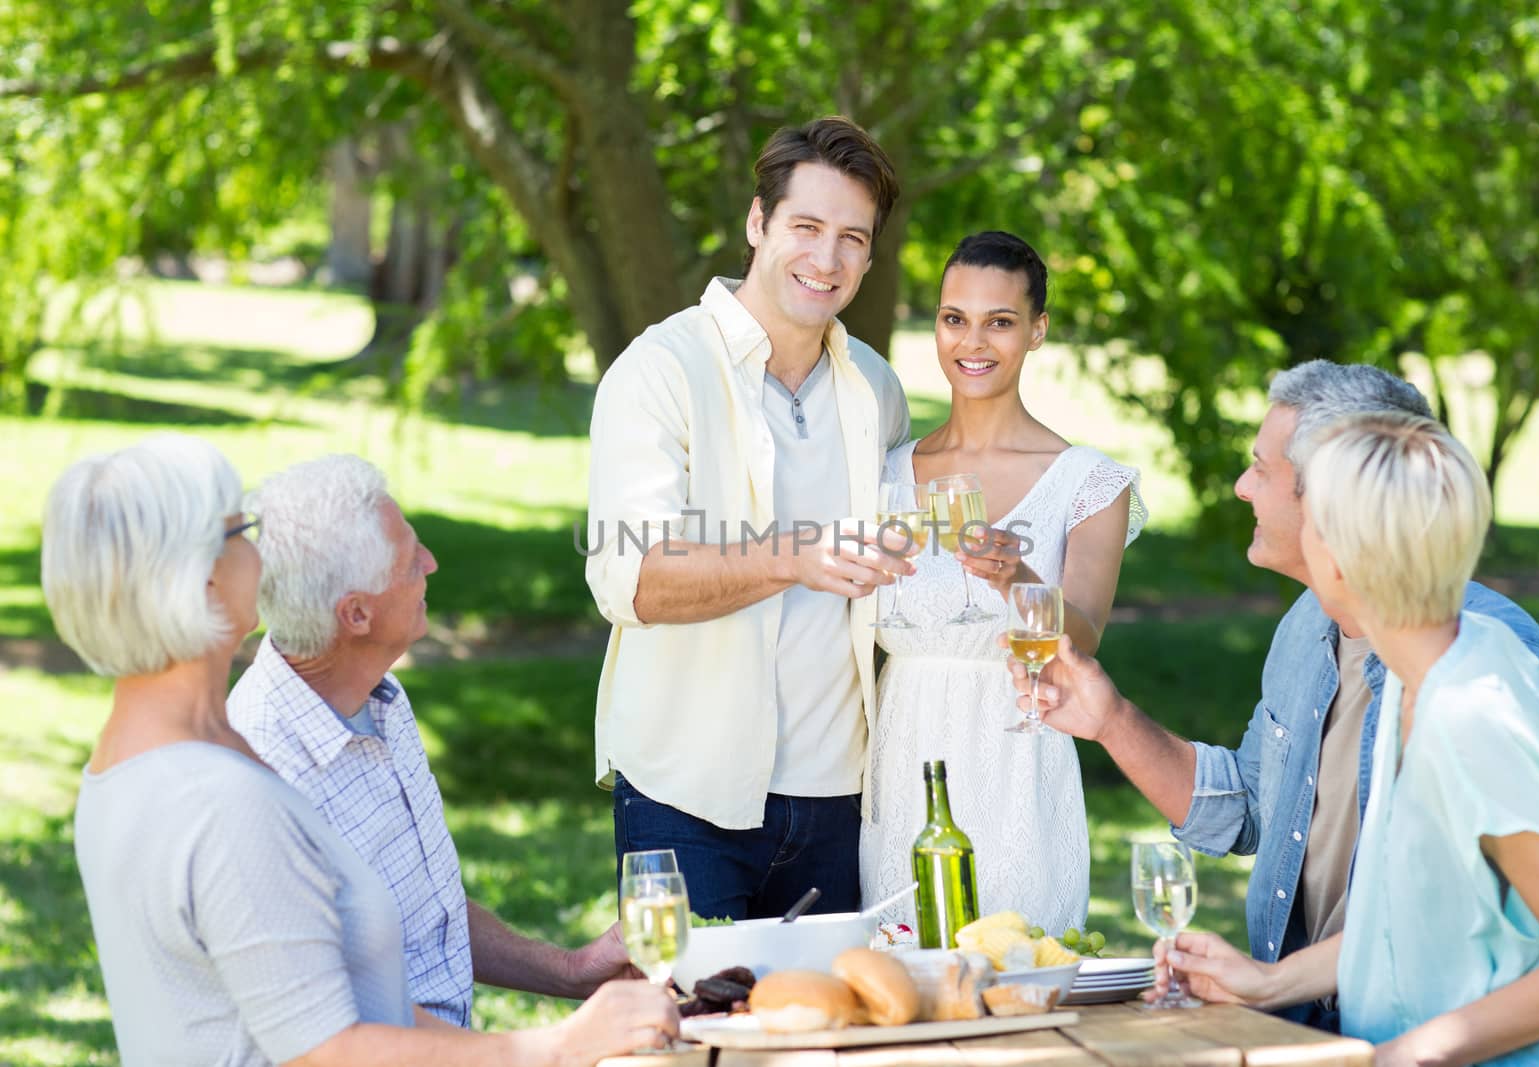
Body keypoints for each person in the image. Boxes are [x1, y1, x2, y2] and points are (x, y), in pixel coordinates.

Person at [44, 434, 677, 1067]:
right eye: (242, 532)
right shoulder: (223, 801)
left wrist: (566, 981)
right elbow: (329, 1051)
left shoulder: (134, 763)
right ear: (202, 582)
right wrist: (559, 1048)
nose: (262, 553)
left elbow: (361, 991)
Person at [1012, 360, 1539, 1027]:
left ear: (1334, 517)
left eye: (1262, 468)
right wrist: (1111, 720)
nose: (1243, 487)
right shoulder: (1319, 631)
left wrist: (1411, 1052)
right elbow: (1403, 909)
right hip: (1321, 1022)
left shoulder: (1477, 679)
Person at [1148, 413, 1539, 1066]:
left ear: (1340, 554)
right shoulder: (1413, 678)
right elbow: (1421, 917)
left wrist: (1405, 1055)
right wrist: (1271, 980)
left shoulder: (1473, 710)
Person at [585, 115, 913, 921]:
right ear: (758, 222)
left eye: (853, 238)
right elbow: (634, 580)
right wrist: (794, 557)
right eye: (805, 226)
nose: (827, 259)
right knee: (692, 1042)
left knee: (826, 1042)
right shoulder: (660, 371)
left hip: (841, 798)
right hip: (683, 795)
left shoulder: (878, 389)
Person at [228, 454, 639, 1030]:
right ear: (356, 615)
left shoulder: (379, 698)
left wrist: (571, 970)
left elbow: (428, 918)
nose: (432, 562)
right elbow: (338, 1029)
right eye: (409, 563)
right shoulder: (263, 772)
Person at [858, 231, 1146, 933]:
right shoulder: (882, 472)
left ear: (1038, 330)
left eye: (1001, 321)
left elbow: (1081, 640)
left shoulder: (1088, 482)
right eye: (954, 318)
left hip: (1022, 763)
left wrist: (1014, 576)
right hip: (901, 766)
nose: (972, 341)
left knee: (1024, 986)